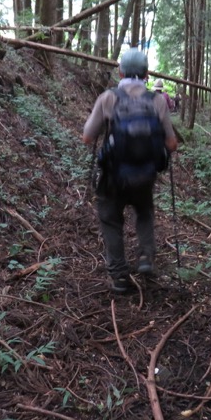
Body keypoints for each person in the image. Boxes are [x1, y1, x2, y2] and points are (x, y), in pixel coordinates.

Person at [82, 49, 178, 294]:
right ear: (146, 74)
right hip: (144, 174)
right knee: (144, 212)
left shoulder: (108, 98)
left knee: (110, 220)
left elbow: (87, 137)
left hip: (113, 176)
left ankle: (119, 277)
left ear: (120, 71)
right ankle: (146, 257)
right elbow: (171, 143)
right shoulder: (156, 100)